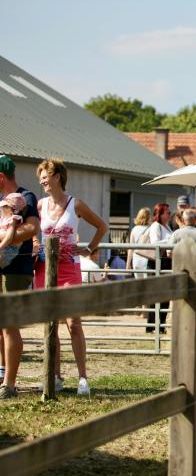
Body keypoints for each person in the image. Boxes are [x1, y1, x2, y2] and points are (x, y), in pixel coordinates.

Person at [35, 159, 108, 396]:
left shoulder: (75, 204)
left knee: (73, 324)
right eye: (40, 177)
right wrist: (36, 243)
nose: (42, 180)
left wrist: (88, 249)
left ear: (58, 176)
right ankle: (54, 377)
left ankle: (83, 378)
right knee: (50, 325)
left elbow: (101, 226)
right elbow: (35, 233)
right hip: (44, 269)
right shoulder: (40, 205)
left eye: (45, 175)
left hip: (69, 269)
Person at [0, 155, 40, 400]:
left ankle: (10, 384)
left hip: (15, 270)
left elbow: (33, 228)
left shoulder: (26, 198)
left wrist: (4, 241)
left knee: (9, 325)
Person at [145, 202, 173, 334]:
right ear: (160, 214)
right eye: (167, 212)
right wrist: (171, 241)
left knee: (165, 296)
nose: (169, 213)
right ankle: (152, 326)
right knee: (155, 295)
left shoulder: (167, 227)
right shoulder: (156, 226)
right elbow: (155, 243)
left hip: (166, 262)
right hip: (156, 263)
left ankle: (160, 325)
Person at [0, 193, 26, 268]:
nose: (1, 209)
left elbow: (9, 238)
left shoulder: (13, 220)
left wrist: (0, 247)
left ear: (12, 209)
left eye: (4, 207)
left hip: (8, 249)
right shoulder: (4, 218)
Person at [126, 207, 151, 279]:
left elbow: (130, 248)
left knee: (139, 284)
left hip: (136, 260)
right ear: (148, 217)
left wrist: (128, 264)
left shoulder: (134, 229)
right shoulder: (151, 228)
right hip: (146, 260)